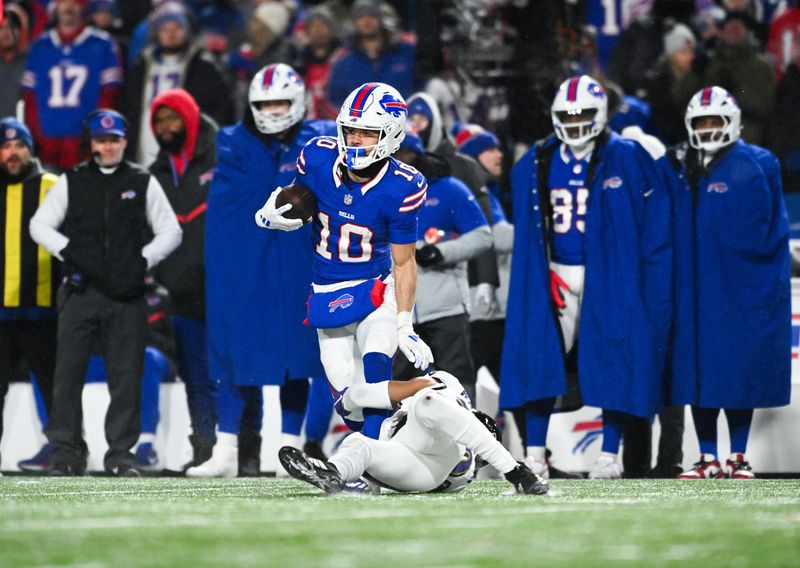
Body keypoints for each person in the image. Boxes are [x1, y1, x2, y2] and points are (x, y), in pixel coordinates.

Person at [500, 75, 672, 480]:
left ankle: (609, 454)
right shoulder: (539, 158)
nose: (575, 122)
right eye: (568, 115)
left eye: (583, 114)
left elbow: (656, 221)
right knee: (539, 358)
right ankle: (536, 454)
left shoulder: (627, 155)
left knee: (614, 357)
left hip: (607, 274)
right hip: (556, 273)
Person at [255, 81, 434, 440]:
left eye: (366, 132)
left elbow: (404, 263)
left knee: (376, 363)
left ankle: (375, 452)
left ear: (391, 134)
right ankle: (389, 436)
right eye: (351, 130)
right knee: (346, 400)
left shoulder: (403, 185)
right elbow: (297, 199)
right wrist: (272, 214)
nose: (354, 139)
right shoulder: (317, 158)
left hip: (375, 288)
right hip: (326, 289)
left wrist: (404, 324)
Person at [194, 64, 333, 478]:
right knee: (234, 350)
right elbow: (230, 207)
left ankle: (289, 449)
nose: (272, 111)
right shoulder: (231, 142)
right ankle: (225, 449)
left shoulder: (320, 140)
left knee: (299, 355)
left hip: (298, 262)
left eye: (280, 102)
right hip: (243, 263)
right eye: (264, 104)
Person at [29, 109, 182, 476]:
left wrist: (142, 261)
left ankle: (121, 457)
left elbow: (171, 231)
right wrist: (70, 252)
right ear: (92, 143)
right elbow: (40, 225)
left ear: (125, 141)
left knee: (127, 378)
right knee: (66, 376)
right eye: (101, 140)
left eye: (114, 140)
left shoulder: (141, 180)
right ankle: (66, 454)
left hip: (127, 296)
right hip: (80, 292)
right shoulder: (72, 180)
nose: (108, 147)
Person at [662, 86, 791, 479]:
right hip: (692, 289)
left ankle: (737, 456)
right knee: (696, 372)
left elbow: (773, 230)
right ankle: (706, 457)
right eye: (700, 122)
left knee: (737, 372)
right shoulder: (678, 162)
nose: (707, 129)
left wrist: (756, 280)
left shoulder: (758, 163)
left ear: (731, 121)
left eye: (714, 121)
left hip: (737, 286)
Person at [278, 370, 549, 496]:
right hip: (413, 464)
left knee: (426, 401)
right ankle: (334, 473)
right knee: (359, 444)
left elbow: (418, 390)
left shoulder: (442, 397)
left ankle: (516, 471)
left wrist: (351, 399)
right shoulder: (448, 393)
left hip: (435, 458)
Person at [148, 88, 219, 471]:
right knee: (194, 375)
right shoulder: (154, 174)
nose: (165, 126)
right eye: (159, 120)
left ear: (189, 118)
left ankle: (243, 447)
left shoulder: (221, 157)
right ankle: (204, 449)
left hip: (223, 287)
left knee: (232, 372)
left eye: (172, 117)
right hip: (180, 292)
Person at [392, 131, 492, 399]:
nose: (401, 160)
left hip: (445, 309)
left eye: (406, 153)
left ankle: (466, 429)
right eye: (396, 154)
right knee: (399, 390)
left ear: (418, 155)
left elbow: (483, 236)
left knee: (457, 386)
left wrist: (441, 252)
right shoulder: (380, 193)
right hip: (397, 311)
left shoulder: (449, 189)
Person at [0, 118, 59, 469]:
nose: (13, 152)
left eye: (20, 145)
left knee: (54, 388)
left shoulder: (52, 186)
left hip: (43, 310)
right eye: (6, 146)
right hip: (0, 314)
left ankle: (65, 453)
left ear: (30, 149)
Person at [124, 3, 233, 166]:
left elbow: (219, 110)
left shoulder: (205, 67)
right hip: (145, 145)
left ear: (187, 30)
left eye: (177, 28)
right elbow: (130, 107)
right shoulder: (142, 66)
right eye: (165, 29)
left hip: (191, 154)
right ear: (156, 32)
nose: (171, 34)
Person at [21, 0, 123, 170]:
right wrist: (39, 138)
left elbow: (110, 97)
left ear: (83, 6)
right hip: (47, 150)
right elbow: (29, 99)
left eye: (75, 2)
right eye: (63, 1)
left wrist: (96, 135)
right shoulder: (39, 46)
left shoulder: (103, 44)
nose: (68, 6)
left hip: (87, 150)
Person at [326, 0, 416, 107]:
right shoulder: (343, 61)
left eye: (371, 16)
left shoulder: (405, 51)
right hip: (358, 117)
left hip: (403, 114)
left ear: (380, 19)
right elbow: (335, 99)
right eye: (361, 17)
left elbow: (422, 87)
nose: (366, 21)